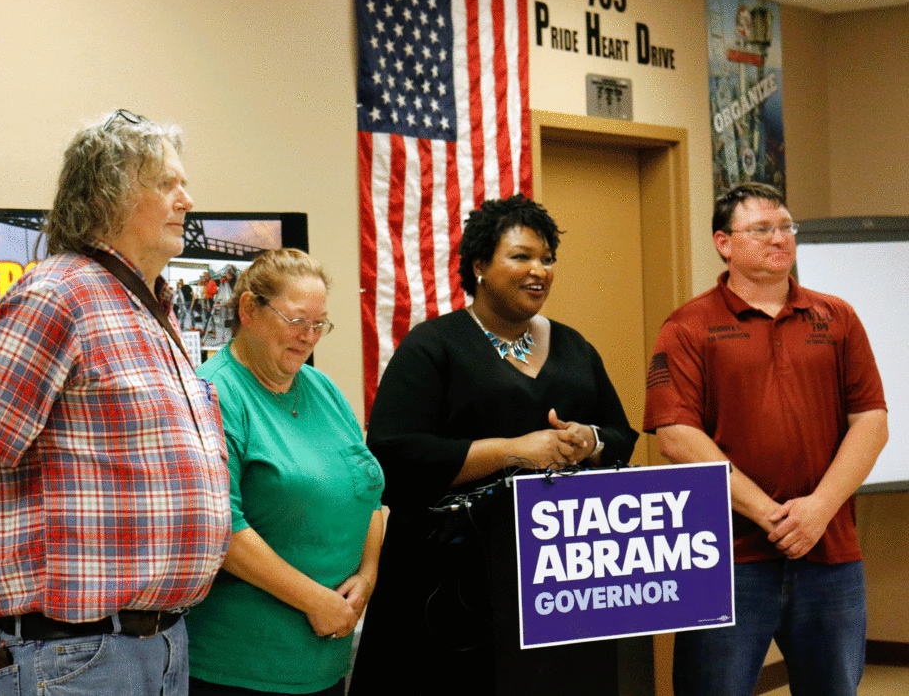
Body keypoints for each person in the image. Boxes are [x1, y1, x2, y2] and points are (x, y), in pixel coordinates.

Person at [0, 109, 231, 695]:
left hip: (161, 641)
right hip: (78, 651)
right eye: (168, 184)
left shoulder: (148, 308)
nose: (187, 200)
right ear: (111, 194)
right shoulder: (58, 295)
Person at [348, 194, 638, 695]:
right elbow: (394, 457)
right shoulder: (433, 347)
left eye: (547, 259)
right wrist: (515, 450)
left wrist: (585, 441)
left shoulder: (574, 347)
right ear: (480, 265)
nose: (539, 271)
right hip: (454, 585)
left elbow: (620, 437)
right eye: (521, 256)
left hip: (562, 580)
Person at [643, 182, 888, 696]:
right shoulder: (688, 326)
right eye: (761, 229)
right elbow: (677, 436)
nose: (779, 239)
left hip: (830, 555)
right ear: (723, 243)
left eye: (785, 227)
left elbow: (871, 421)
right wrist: (773, 516)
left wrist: (817, 510)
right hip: (726, 559)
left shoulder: (836, 317)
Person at [187, 249, 385, 696]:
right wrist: (315, 600)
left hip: (325, 658)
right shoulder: (213, 392)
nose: (309, 336)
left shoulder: (323, 388)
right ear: (249, 310)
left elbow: (368, 491)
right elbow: (223, 530)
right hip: (243, 664)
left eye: (319, 324)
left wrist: (368, 575)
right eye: (296, 320)